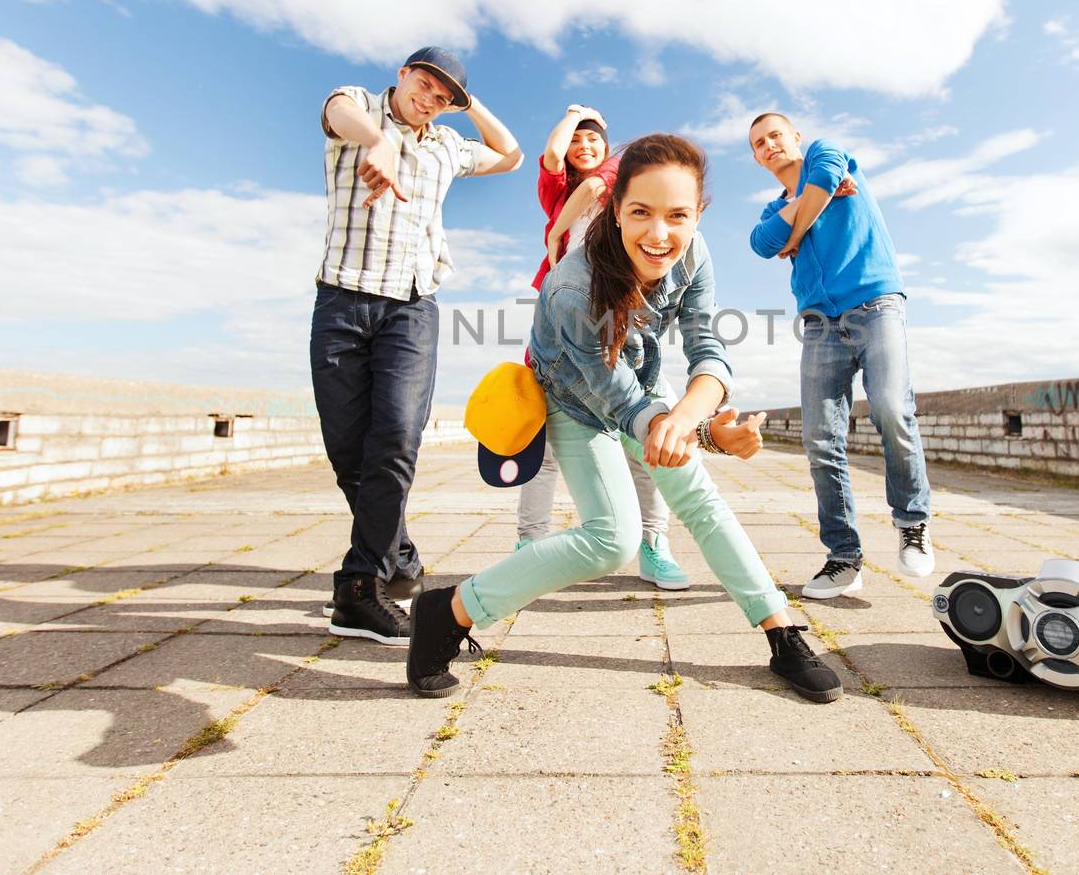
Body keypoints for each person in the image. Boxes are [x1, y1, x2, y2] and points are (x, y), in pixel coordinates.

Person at [404, 134, 843, 703]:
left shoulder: (693, 251)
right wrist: (702, 434)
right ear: (614, 211)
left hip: (642, 377)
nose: (659, 235)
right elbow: (620, 405)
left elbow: (707, 346)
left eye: (678, 216)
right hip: (574, 400)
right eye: (640, 213)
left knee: (699, 499)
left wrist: (693, 417)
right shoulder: (571, 288)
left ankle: (782, 634)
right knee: (612, 539)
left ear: (697, 214)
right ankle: (451, 609)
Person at [311, 46, 522, 642]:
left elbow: (510, 154)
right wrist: (376, 140)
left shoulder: (447, 146)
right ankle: (399, 559)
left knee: (397, 439)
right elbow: (335, 108)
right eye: (425, 84)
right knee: (348, 452)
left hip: (410, 306)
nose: (429, 98)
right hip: (341, 301)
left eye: (443, 97)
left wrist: (469, 102)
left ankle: (359, 587)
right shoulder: (358, 108)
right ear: (403, 75)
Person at [747, 112, 934, 599]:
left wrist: (797, 227)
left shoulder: (827, 151)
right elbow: (762, 243)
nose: (768, 146)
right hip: (820, 324)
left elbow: (826, 177)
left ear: (795, 139)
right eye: (758, 144)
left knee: (892, 409)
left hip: (876, 305)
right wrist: (798, 215)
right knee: (820, 439)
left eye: (775, 136)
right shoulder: (772, 208)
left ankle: (912, 522)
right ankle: (843, 557)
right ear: (755, 157)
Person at [515, 104, 690, 590]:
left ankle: (654, 544)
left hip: (617, 316)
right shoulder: (554, 188)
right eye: (577, 140)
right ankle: (528, 546)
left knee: (643, 436)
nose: (583, 146)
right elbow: (552, 155)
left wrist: (555, 231)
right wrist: (570, 116)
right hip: (559, 323)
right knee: (544, 447)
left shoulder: (617, 174)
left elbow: (595, 187)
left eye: (592, 138)